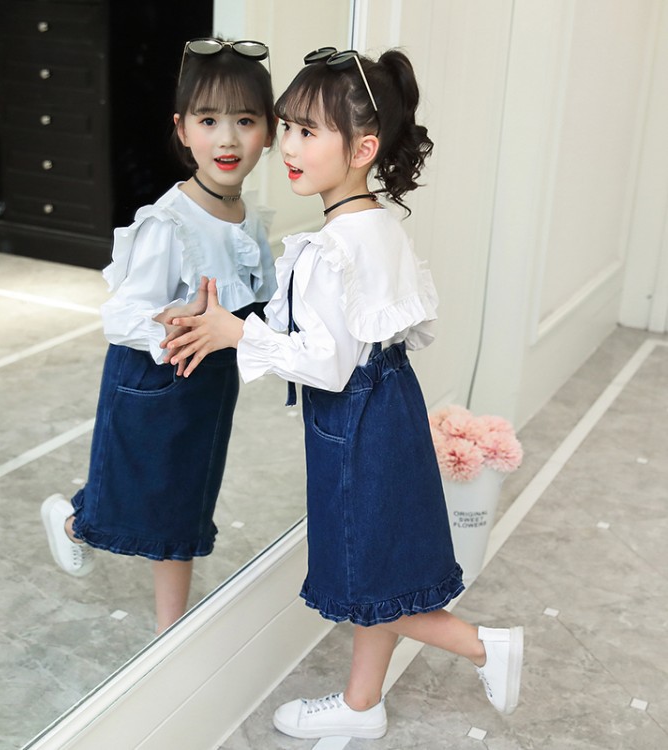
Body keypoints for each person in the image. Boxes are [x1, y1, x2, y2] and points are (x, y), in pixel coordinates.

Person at [164, 46, 524, 739]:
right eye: (287, 128)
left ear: (362, 149)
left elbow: (327, 366)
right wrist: (239, 324)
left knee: (363, 575)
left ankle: (484, 647)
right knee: (380, 564)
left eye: (308, 132)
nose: (289, 147)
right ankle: (363, 704)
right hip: (390, 405)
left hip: (355, 423)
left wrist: (238, 335)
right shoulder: (376, 225)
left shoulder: (334, 247)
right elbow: (378, 333)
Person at [41, 38, 277, 634]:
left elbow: (258, 303)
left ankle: (170, 634)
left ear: (270, 132)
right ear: (182, 130)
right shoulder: (170, 223)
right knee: (131, 499)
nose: (227, 139)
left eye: (245, 121)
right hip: (152, 382)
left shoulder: (246, 215)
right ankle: (70, 522)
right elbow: (119, 316)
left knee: (184, 511)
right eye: (209, 121)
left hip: (208, 386)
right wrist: (170, 321)